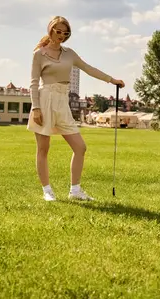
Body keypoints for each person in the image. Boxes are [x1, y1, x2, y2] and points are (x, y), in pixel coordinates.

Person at [28, 16, 125, 202]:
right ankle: (47, 191)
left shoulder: (69, 54)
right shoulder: (39, 54)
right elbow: (33, 83)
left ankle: (75, 191)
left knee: (80, 147)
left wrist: (112, 80)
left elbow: (89, 69)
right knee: (43, 148)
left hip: (62, 101)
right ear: (50, 30)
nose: (62, 36)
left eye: (66, 33)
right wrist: (36, 108)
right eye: (58, 32)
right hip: (44, 99)